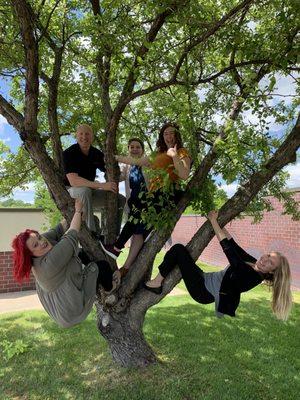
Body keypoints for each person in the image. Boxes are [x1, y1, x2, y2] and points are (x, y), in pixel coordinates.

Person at [144, 210, 292, 321]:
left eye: (270, 262)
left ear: (272, 272)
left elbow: (229, 251)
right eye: (268, 255)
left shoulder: (252, 277)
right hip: (205, 278)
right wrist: (220, 222)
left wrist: (213, 221)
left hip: (203, 291)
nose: (265, 259)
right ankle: (158, 281)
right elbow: (234, 245)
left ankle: (157, 282)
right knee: (180, 256)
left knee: (178, 250)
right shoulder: (254, 264)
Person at [11, 199, 120, 328]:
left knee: (81, 254)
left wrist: (74, 214)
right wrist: (78, 211)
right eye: (36, 245)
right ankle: (109, 289)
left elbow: (59, 228)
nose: (42, 242)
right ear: (31, 254)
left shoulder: (43, 242)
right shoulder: (47, 265)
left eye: (39, 237)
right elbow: (71, 234)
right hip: (71, 312)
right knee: (102, 267)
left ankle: (92, 282)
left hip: (64, 302)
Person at [102, 123, 191, 267]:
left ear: (176, 135)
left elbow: (184, 174)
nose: (168, 136)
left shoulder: (182, 152)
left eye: (171, 133)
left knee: (138, 210)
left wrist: (174, 156)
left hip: (168, 193)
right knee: (136, 215)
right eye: (165, 133)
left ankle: (117, 248)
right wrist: (114, 157)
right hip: (155, 194)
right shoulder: (157, 154)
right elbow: (135, 161)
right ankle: (118, 252)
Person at [63, 123, 125, 237]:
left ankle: (111, 234)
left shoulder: (96, 153)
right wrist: (102, 185)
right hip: (71, 192)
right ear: (76, 136)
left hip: (90, 191)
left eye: (87, 134)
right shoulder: (69, 153)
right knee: (84, 191)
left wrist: (126, 173)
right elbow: (73, 181)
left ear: (92, 137)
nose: (84, 137)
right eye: (81, 134)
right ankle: (91, 233)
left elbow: (110, 171)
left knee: (120, 199)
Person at [102, 138, 150, 277]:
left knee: (136, 228)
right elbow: (115, 177)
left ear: (142, 150)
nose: (135, 149)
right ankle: (127, 267)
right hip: (133, 204)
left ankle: (116, 247)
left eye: (138, 147)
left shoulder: (146, 161)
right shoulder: (127, 167)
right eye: (132, 147)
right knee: (137, 233)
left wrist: (116, 157)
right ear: (128, 149)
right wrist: (108, 165)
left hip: (147, 202)